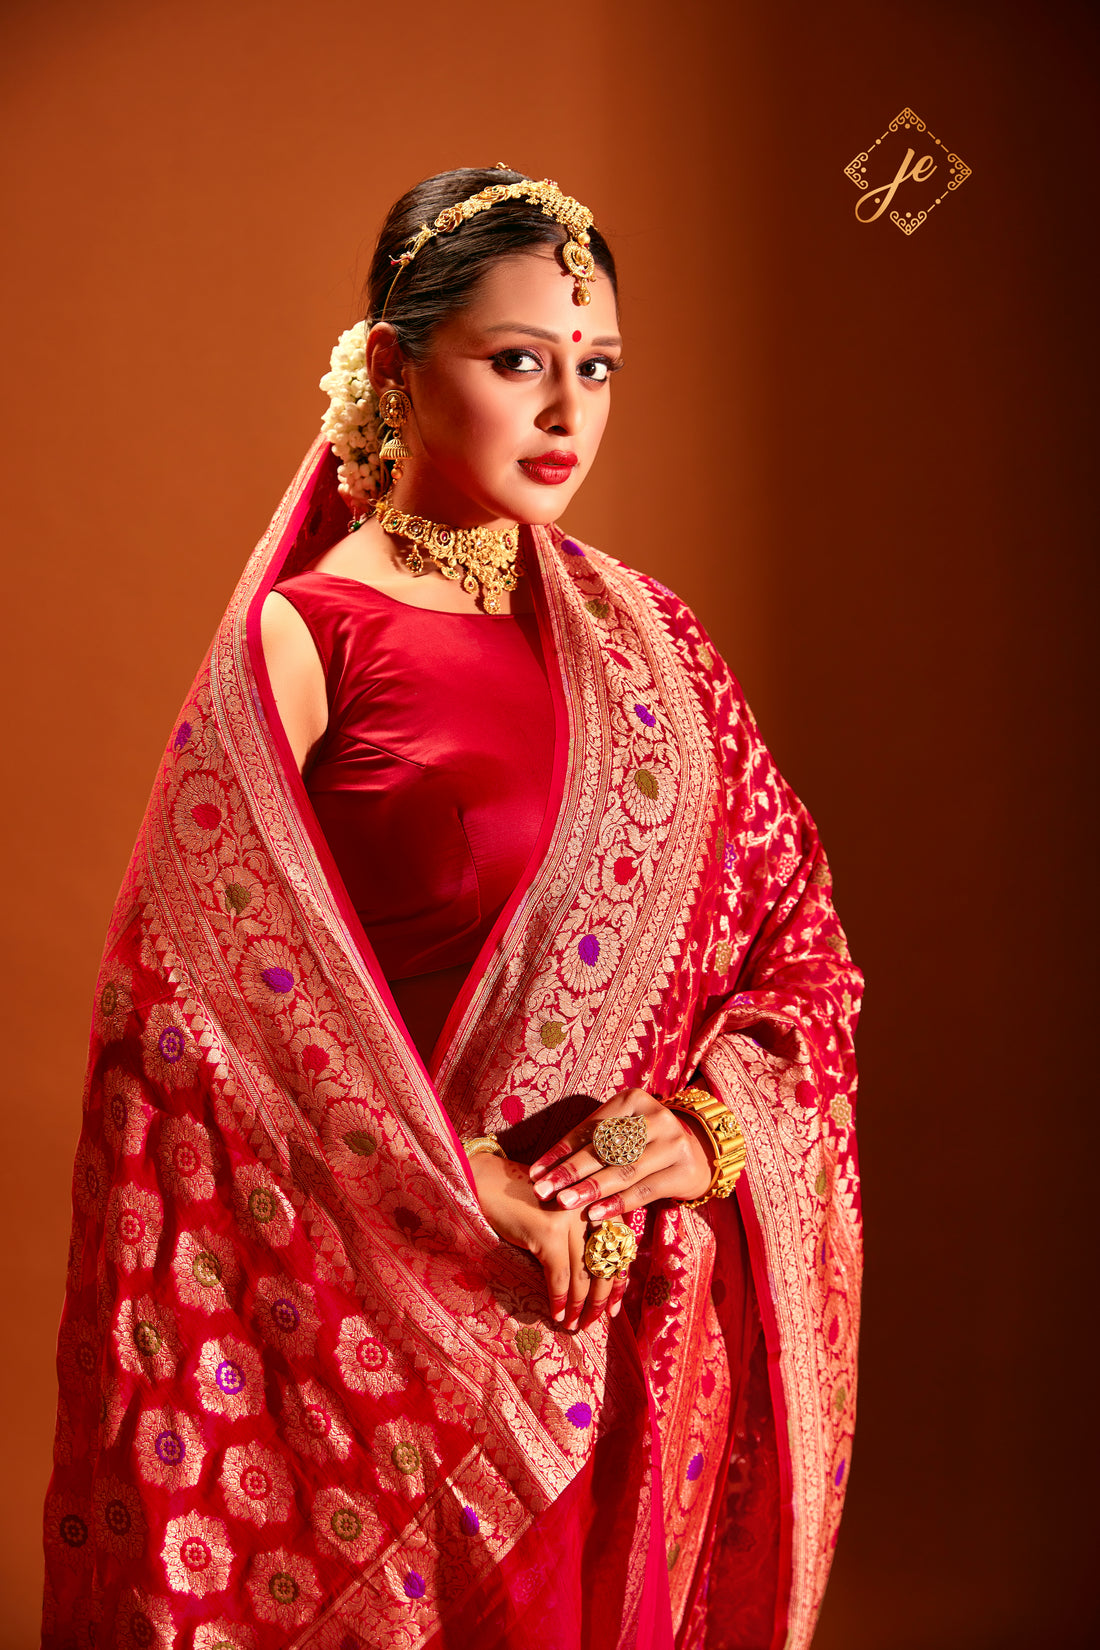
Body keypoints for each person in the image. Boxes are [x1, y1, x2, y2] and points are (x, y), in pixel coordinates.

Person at [42, 166, 863, 1650]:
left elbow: (797, 931)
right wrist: (458, 1180)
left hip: (615, 1334)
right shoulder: (309, 638)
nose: (568, 412)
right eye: (517, 362)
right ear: (393, 365)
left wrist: (706, 1127)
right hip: (392, 1333)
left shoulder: (653, 646)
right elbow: (183, 1013)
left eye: (595, 366)